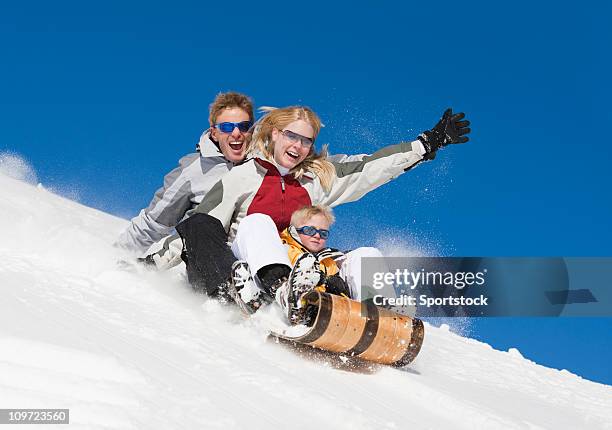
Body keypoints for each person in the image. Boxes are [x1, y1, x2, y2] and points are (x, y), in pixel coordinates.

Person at [149, 105, 471, 321]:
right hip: (244, 273)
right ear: (274, 134)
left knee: (365, 254)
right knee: (258, 222)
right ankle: (279, 290)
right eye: (291, 135)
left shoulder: (316, 180)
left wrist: (427, 143)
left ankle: (380, 315)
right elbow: (199, 229)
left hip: (303, 274)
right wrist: (149, 264)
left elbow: (368, 168)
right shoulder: (241, 177)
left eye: (306, 140)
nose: (299, 146)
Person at [114, 91, 255, 254]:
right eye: (227, 127)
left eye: (243, 126)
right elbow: (155, 220)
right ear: (214, 133)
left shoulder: (264, 166)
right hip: (201, 259)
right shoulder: (194, 170)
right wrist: (117, 256)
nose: (236, 133)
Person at [231, 205, 386, 320]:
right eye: (310, 230)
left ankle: (378, 317)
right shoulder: (281, 249)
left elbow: (339, 287)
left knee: (368, 253)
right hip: (282, 301)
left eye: (323, 233)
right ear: (294, 230)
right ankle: (281, 293)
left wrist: (334, 284)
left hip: (328, 308)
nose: (317, 236)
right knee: (257, 220)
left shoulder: (330, 261)